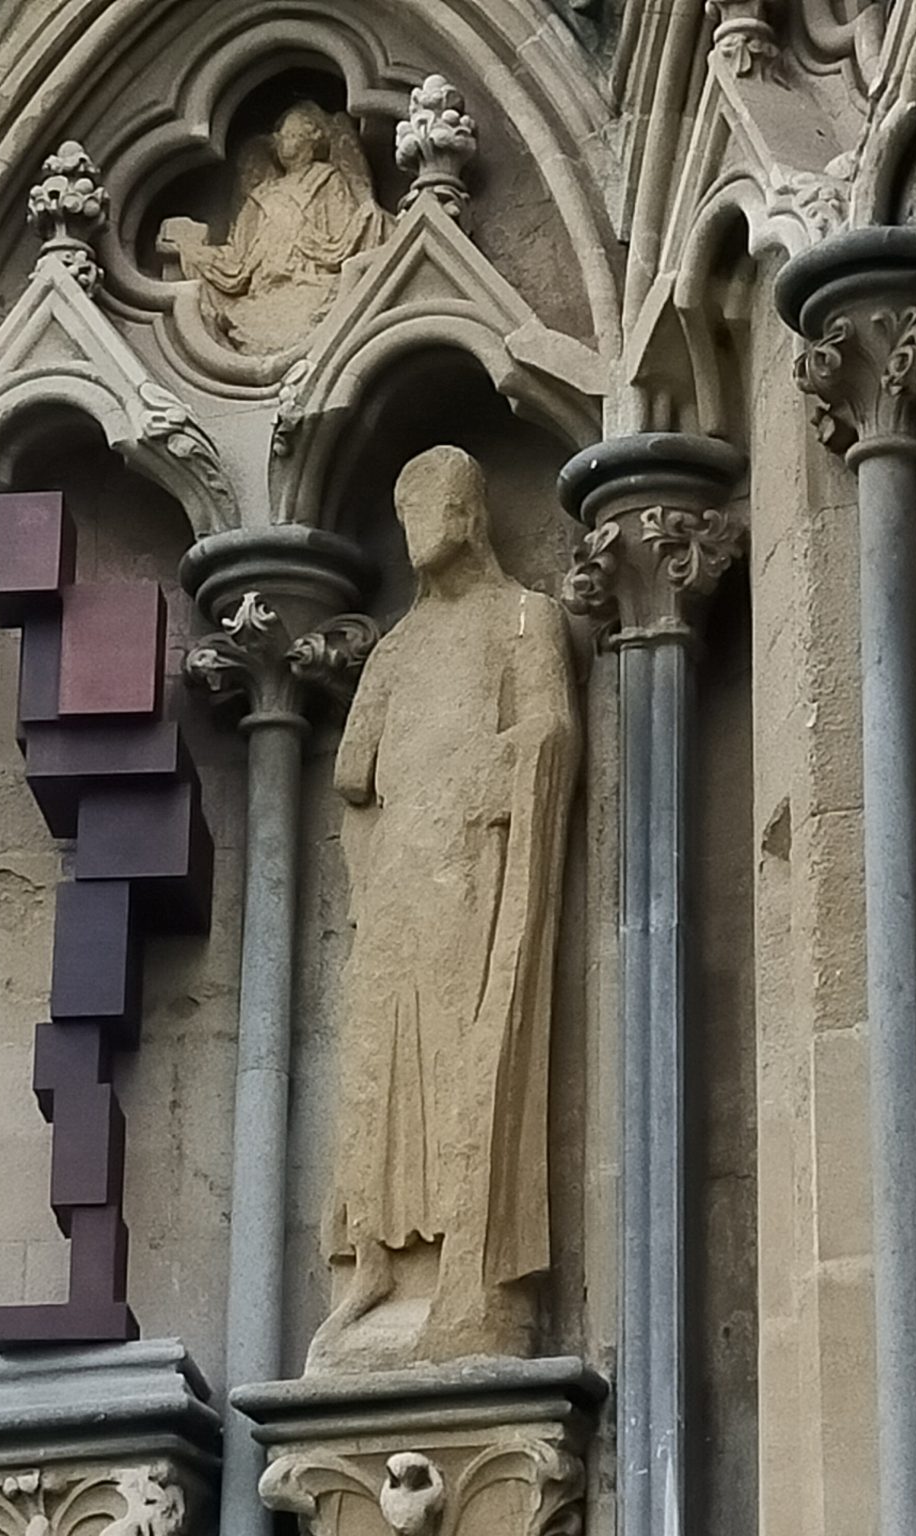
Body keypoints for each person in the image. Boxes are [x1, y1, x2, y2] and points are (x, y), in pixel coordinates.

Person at [308, 447, 581, 1372]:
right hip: (398, 887)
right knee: (383, 1078)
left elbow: (548, 730)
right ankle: (374, 1271)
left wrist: (505, 767)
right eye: (411, 510)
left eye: (437, 507)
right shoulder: (395, 650)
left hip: (474, 875)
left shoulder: (523, 619)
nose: (426, 527)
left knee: (464, 1065)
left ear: (471, 514)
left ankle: (467, 1276)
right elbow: (352, 773)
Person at [158, 104, 392, 354]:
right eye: (280, 136)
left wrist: (367, 216)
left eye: (291, 136)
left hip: (312, 283)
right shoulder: (262, 194)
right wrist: (189, 245)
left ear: (311, 142)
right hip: (263, 290)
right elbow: (239, 256)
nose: (283, 143)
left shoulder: (327, 180)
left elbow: (343, 235)